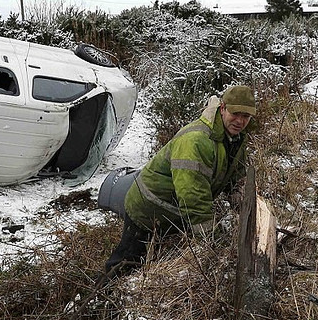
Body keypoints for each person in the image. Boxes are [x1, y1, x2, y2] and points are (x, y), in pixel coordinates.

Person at [104, 84, 256, 275]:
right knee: (126, 263)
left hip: (173, 212)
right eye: (236, 113)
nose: (240, 121)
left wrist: (240, 201)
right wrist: (213, 242)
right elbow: (193, 197)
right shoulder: (196, 141)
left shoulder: (234, 138)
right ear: (223, 108)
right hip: (148, 209)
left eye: (246, 116)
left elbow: (236, 175)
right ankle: (102, 297)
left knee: (154, 260)